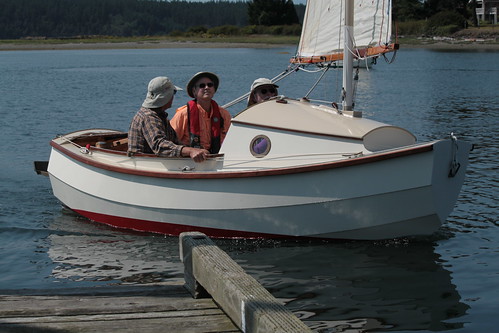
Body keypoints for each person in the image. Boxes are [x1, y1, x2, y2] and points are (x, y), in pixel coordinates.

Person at [128, 76, 209, 163]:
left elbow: (175, 142)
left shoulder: (160, 116)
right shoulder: (148, 117)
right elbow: (160, 145)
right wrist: (190, 151)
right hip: (144, 165)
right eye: (173, 93)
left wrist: (196, 150)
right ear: (165, 97)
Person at [170, 72, 231, 154]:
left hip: (216, 159)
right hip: (188, 161)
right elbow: (169, 143)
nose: (206, 88)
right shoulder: (183, 114)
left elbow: (231, 140)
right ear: (194, 91)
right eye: (202, 85)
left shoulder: (224, 115)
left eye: (210, 85)